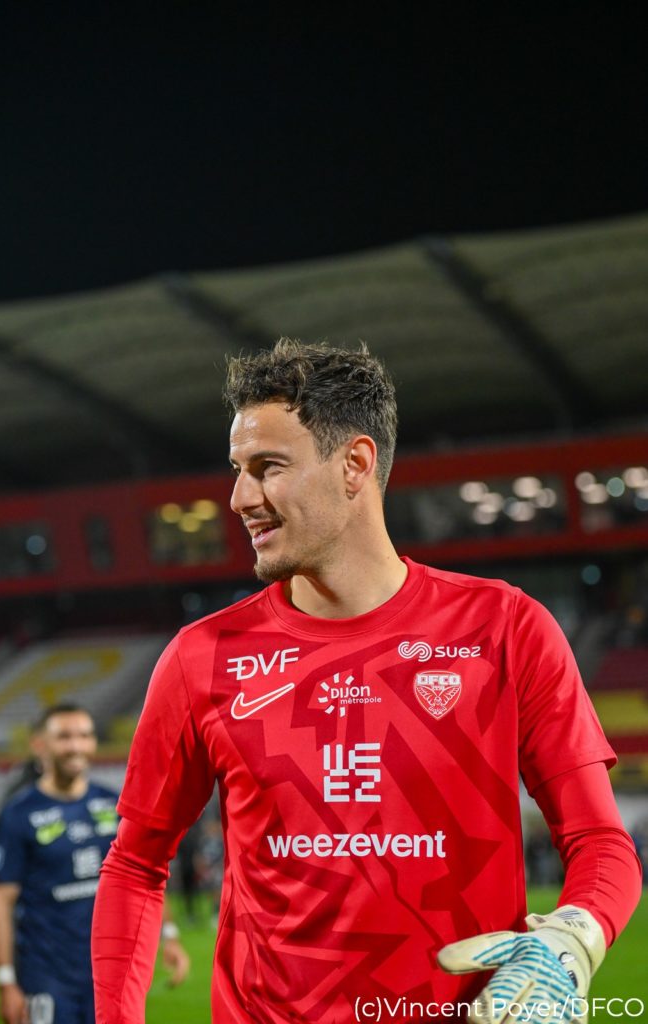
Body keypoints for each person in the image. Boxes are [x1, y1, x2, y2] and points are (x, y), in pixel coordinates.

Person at [92, 339, 642, 1024]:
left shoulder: (504, 628)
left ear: (354, 464)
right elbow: (134, 865)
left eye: (267, 468)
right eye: (237, 470)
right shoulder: (201, 656)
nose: (239, 498)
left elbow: (600, 843)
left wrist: (571, 940)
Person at [0, 702, 189, 1024]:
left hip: (109, 970)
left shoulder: (113, 804)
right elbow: (0, 900)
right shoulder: (18, 814)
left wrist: (170, 936)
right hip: (45, 974)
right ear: (39, 744)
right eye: (64, 737)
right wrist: (5, 980)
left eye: (84, 735)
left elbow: (145, 873)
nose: (76, 746)